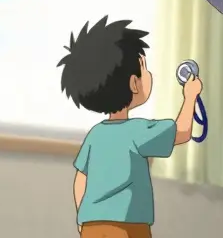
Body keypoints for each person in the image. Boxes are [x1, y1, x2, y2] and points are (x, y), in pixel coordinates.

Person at [60, 17, 204, 238]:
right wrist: (190, 96)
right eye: (144, 69)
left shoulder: (95, 134)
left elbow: (81, 178)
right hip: (128, 227)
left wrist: (82, 219)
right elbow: (182, 131)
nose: (150, 75)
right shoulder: (138, 131)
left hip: (91, 226)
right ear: (134, 83)